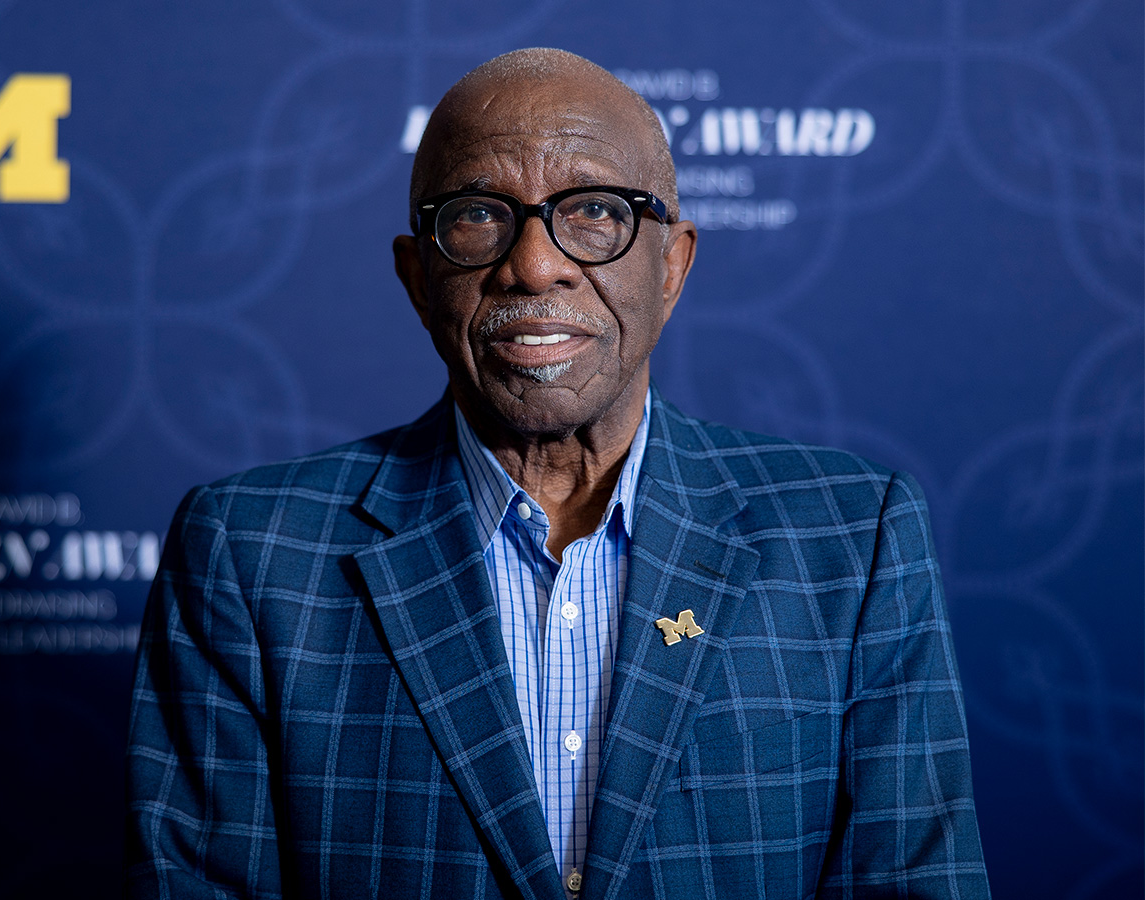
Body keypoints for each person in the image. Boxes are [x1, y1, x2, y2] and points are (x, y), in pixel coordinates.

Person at [126, 48, 990, 900]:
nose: (535, 265)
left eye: (594, 212)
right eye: (475, 216)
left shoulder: (850, 534)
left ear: (673, 264)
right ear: (418, 279)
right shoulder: (249, 551)